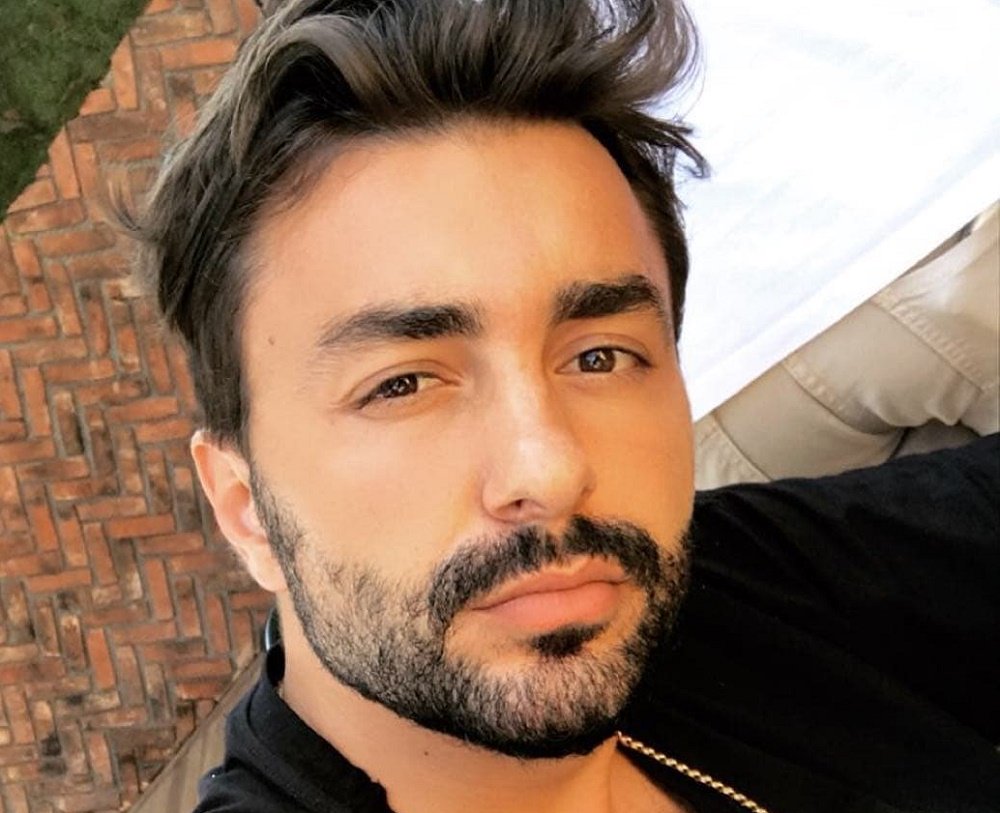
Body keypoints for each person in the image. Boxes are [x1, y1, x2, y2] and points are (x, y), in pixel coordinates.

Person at [126, 1, 1000, 811]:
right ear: (245, 507)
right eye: (403, 383)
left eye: (597, 356)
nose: (549, 468)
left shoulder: (718, 590)